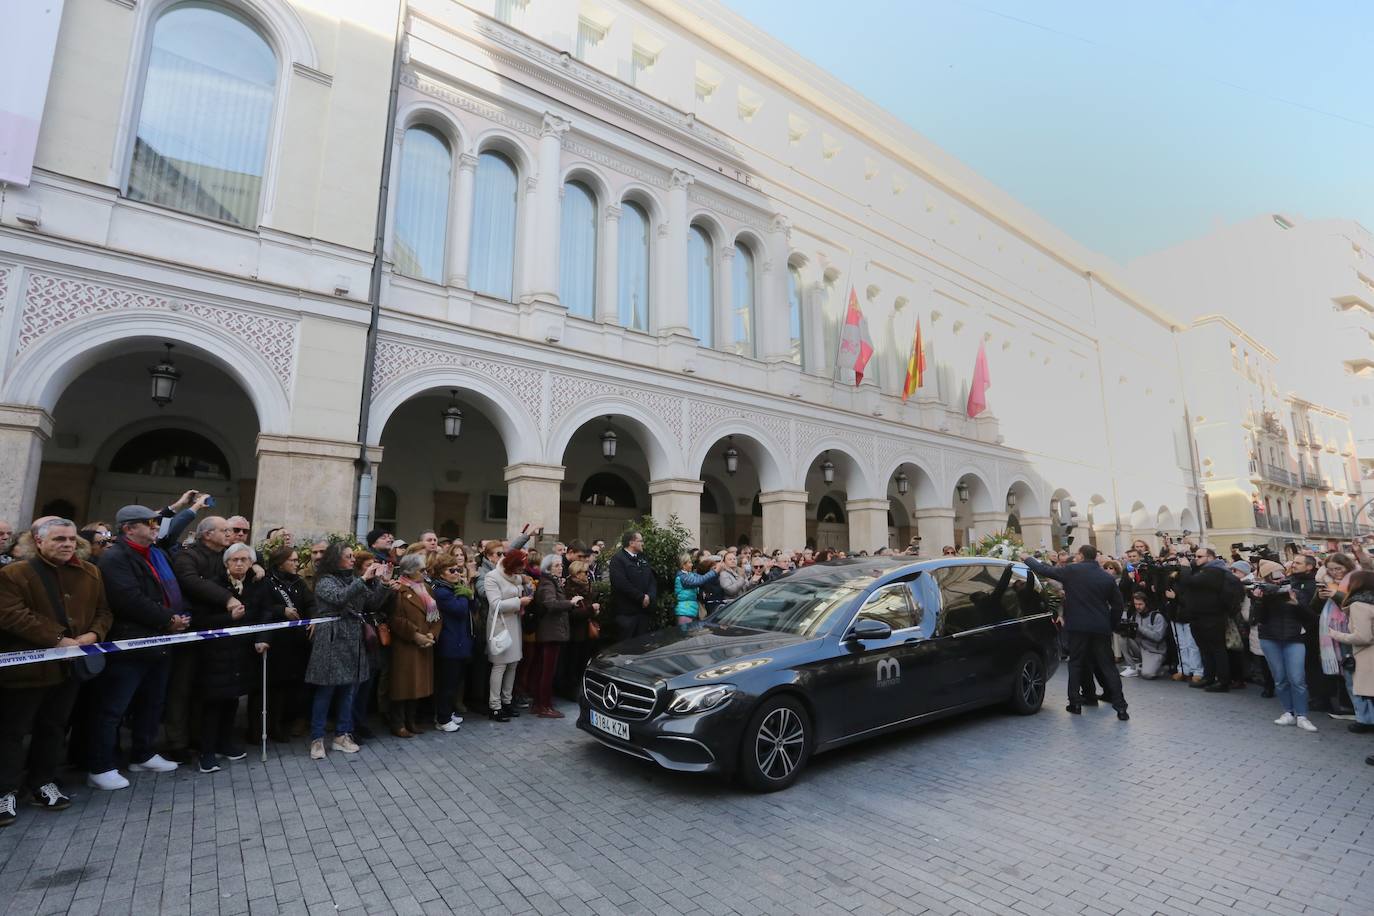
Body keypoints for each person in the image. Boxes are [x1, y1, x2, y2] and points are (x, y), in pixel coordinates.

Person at [0, 518, 112, 825]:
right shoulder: (14, 574)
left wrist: (93, 635)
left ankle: (42, 782)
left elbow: (104, 611)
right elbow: (11, 615)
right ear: (39, 541)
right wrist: (58, 638)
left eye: (71, 539)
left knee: (54, 727)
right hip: (27, 670)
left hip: (68, 670)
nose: (67, 544)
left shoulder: (90, 572)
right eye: (59, 539)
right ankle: (5, 790)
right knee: (12, 731)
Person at [89, 505, 188, 790]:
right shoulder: (115, 558)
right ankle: (101, 765)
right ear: (129, 528)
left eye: (156, 523)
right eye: (149, 523)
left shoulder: (156, 554)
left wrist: (178, 617)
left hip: (160, 640)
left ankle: (143, 754)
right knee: (114, 707)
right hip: (130, 643)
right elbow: (127, 599)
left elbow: (171, 589)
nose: (155, 527)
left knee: (152, 702)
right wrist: (168, 619)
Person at [1022, 544, 1129, 720]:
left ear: (1080, 555)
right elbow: (1118, 606)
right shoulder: (1106, 577)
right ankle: (1121, 707)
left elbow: (1045, 570)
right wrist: (1109, 624)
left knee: (1076, 664)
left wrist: (1027, 558)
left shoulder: (1072, 571)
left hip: (1078, 626)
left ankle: (1075, 703)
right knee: (1108, 666)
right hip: (1100, 627)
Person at [305, 542, 390, 760]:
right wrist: (363, 580)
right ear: (336, 559)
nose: (353, 560)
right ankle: (317, 738)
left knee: (349, 689)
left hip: (353, 639)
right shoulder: (325, 581)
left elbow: (372, 603)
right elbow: (339, 598)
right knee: (326, 691)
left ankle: (342, 735)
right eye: (349, 556)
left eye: (353, 556)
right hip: (331, 640)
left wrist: (383, 583)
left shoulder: (353, 579)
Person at [190, 543, 264, 773]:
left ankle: (225, 743)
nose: (239, 564)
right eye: (235, 560)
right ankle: (207, 752)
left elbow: (263, 614)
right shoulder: (213, 586)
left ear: (251, 563)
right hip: (216, 654)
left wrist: (262, 638)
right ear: (226, 563)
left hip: (241, 653)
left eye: (244, 560)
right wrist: (228, 618)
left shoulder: (256, 585)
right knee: (213, 704)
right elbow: (200, 620)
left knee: (232, 700)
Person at [1248, 559, 1318, 732]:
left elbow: (1311, 618)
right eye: (1273, 576)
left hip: (1294, 639)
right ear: (1266, 578)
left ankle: (1302, 715)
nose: (1279, 579)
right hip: (1270, 639)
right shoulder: (1261, 593)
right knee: (1280, 679)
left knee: (1297, 679)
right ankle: (1288, 712)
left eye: (1280, 574)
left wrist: (1296, 603)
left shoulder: (1295, 591)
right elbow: (1255, 619)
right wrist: (1258, 600)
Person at [260, 546, 316, 741]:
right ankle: (274, 726)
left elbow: (310, 603)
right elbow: (262, 606)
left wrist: (313, 619)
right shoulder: (267, 582)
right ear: (280, 563)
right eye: (292, 560)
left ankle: (291, 721)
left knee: (295, 684)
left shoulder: (298, 582)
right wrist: (281, 610)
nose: (296, 563)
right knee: (277, 687)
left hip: (297, 641)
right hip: (278, 642)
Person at [387, 554, 440, 738]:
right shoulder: (398, 590)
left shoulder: (427, 589)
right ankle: (398, 723)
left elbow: (436, 616)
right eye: (421, 570)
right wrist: (415, 634)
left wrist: (432, 633)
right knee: (403, 685)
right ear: (409, 572)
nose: (425, 573)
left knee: (417, 685)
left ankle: (411, 720)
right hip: (405, 645)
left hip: (425, 642)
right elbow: (395, 619)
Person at [531, 554, 587, 719]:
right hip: (550, 632)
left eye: (560, 565)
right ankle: (544, 705)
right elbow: (550, 604)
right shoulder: (547, 583)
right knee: (547, 671)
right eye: (556, 565)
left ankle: (539, 703)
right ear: (548, 569)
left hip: (553, 631)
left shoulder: (552, 582)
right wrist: (571, 603)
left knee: (544, 669)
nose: (560, 568)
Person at [1177, 546, 1241, 692]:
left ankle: (1223, 681)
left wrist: (1185, 568)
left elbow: (1190, 582)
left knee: (1217, 649)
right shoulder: (1201, 570)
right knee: (1205, 649)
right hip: (1198, 616)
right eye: (1195, 556)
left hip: (1212, 616)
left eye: (1199, 557)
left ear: (1210, 558)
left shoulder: (1215, 571)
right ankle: (1209, 677)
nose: (1195, 559)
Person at [483, 548, 532, 722]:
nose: (521, 571)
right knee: (500, 665)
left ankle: (507, 701)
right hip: (500, 625)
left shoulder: (516, 577)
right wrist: (519, 601)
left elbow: (522, 582)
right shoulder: (492, 577)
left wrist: (527, 587)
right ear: (511, 565)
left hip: (514, 623)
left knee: (513, 664)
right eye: (519, 568)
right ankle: (495, 706)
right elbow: (495, 604)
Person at [1327, 570, 1374, 735]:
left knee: (1367, 694)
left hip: (1367, 657)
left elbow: (1363, 637)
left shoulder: (1359, 605)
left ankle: (1366, 722)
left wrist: (1336, 634)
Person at [431, 553, 473, 730]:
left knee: (454, 681)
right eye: (452, 570)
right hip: (449, 641)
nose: (456, 573)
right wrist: (464, 593)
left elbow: (472, 606)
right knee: (447, 683)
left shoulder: (452, 588)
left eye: (458, 570)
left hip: (459, 639)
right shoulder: (441, 591)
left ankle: (447, 713)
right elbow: (460, 610)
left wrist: (465, 592)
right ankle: (443, 719)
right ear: (441, 573)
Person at [609, 531, 656, 639]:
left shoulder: (643, 558)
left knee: (643, 644)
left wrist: (649, 596)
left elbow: (652, 580)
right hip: (627, 614)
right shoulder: (618, 559)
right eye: (640, 541)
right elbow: (621, 583)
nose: (643, 543)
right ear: (631, 543)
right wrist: (641, 597)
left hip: (643, 613)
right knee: (627, 646)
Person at [1128, 592, 1168, 679]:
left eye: (1140, 604)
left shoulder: (1157, 616)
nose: (1137, 606)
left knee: (1147, 674)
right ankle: (1132, 667)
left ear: (1146, 603)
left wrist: (1139, 628)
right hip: (1141, 647)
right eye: (1135, 604)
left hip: (1155, 651)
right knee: (1122, 638)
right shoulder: (1135, 615)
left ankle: (1160, 666)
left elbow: (1158, 637)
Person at [673, 554, 719, 625]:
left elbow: (704, 579)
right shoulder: (682, 577)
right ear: (683, 565)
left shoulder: (690, 575)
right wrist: (714, 572)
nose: (692, 565)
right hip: (684, 611)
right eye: (689, 562)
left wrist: (714, 570)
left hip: (691, 610)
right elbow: (698, 581)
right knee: (685, 631)